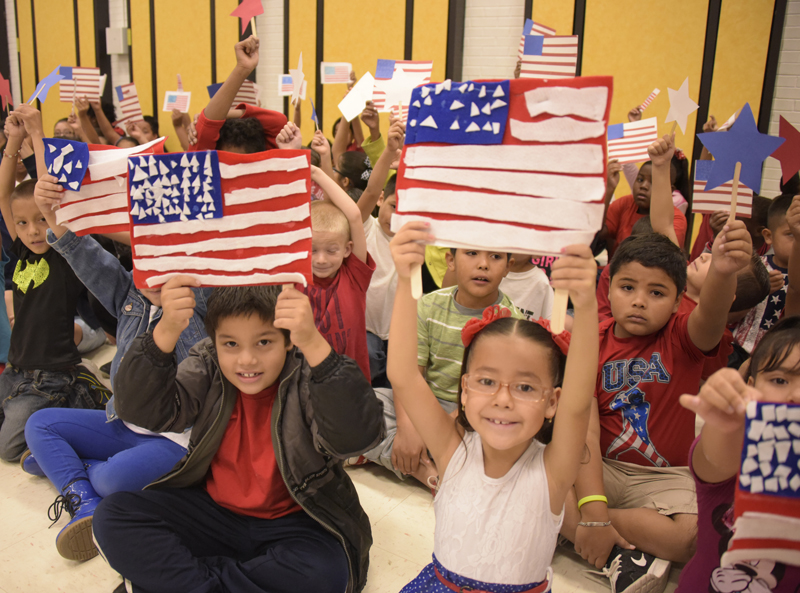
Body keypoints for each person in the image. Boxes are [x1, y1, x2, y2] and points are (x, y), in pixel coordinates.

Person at [91, 284, 384, 593]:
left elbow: (355, 439)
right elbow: (142, 410)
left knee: (323, 576)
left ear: (287, 341)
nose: (247, 360)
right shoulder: (208, 364)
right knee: (114, 515)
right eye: (230, 343)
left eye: (264, 342)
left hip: (298, 520)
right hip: (215, 513)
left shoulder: (308, 375)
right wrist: (165, 331)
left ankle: (181, 583)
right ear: (214, 343)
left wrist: (314, 344)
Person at [389, 220, 600, 593]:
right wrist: (407, 277)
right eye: (487, 382)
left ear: (552, 401)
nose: (503, 399)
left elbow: (580, 402)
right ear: (464, 390)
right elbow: (404, 375)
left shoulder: (552, 471)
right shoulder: (451, 451)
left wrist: (586, 307)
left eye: (524, 386)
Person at [20, 171, 210, 561]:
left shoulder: (200, 301)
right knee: (38, 424)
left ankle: (79, 469)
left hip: (175, 440)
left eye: (165, 262)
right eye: (145, 261)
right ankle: (82, 500)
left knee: (112, 479)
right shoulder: (128, 293)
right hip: (122, 422)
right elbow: (82, 252)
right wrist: (51, 211)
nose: (153, 276)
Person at [563, 217, 753, 593]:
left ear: (679, 298)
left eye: (656, 292)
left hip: (665, 478)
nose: (638, 301)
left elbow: (712, 315)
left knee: (689, 537)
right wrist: (593, 505)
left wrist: (723, 271)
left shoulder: (682, 335)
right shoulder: (589, 339)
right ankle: (626, 548)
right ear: (609, 286)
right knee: (543, 492)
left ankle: (590, 534)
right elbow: (583, 429)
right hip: (599, 467)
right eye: (628, 287)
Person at [364, 240, 523, 486]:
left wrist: (436, 431)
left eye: (495, 256)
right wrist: (408, 429)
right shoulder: (428, 305)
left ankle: (420, 467)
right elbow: (407, 374)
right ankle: (433, 470)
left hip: (474, 415)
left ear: (508, 266)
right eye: (471, 253)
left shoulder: (511, 322)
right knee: (365, 405)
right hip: (426, 402)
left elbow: (497, 395)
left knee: (505, 438)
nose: (483, 264)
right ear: (451, 261)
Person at [0, 105, 105, 462]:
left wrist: (36, 134)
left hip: (50, 374)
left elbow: (50, 200)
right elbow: (4, 196)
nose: (33, 231)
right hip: (17, 370)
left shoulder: (62, 253)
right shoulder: (20, 250)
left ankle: (76, 395)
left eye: (39, 220)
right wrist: (13, 141)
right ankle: (74, 396)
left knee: (11, 448)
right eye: (23, 223)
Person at [676, 319, 800, 592]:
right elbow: (717, 454)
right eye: (780, 380)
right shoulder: (737, 446)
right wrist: (725, 420)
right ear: (752, 387)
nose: (797, 395)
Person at [355, 121, 404, 387]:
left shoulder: (416, 242)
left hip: (398, 336)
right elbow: (371, 188)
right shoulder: (366, 228)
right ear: (381, 200)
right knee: (366, 387)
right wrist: (389, 151)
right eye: (393, 206)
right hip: (366, 332)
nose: (397, 219)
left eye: (407, 213)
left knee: (392, 390)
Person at [192, 36, 286, 153]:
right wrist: (242, 68)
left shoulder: (268, 163)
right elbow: (207, 128)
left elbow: (278, 121)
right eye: (228, 161)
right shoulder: (205, 165)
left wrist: (223, 115)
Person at [732, 194, 793, 356]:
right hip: (739, 348)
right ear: (768, 236)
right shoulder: (754, 266)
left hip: (777, 356)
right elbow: (730, 311)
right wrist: (760, 291)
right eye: (791, 234)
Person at [598, 158, 688, 257]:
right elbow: (598, 233)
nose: (643, 186)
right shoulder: (626, 203)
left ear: (669, 190)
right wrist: (609, 189)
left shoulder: (676, 219)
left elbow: (662, 258)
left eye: (653, 182)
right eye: (640, 179)